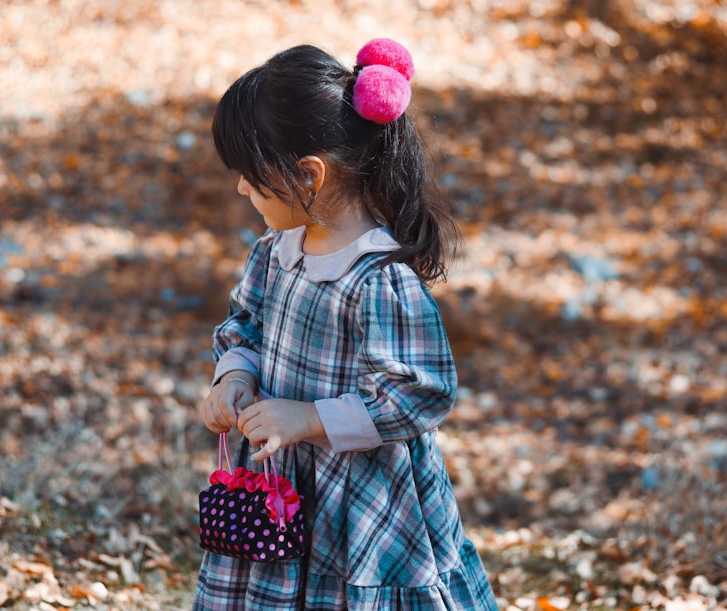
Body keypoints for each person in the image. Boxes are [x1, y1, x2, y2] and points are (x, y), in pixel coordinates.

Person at [193, 39, 498, 610]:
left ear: (309, 175)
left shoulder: (378, 280)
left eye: (251, 177)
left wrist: (308, 418)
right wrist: (234, 376)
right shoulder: (274, 252)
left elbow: (420, 394)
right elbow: (245, 324)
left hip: (359, 495)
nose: (240, 189)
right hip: (278, 482)